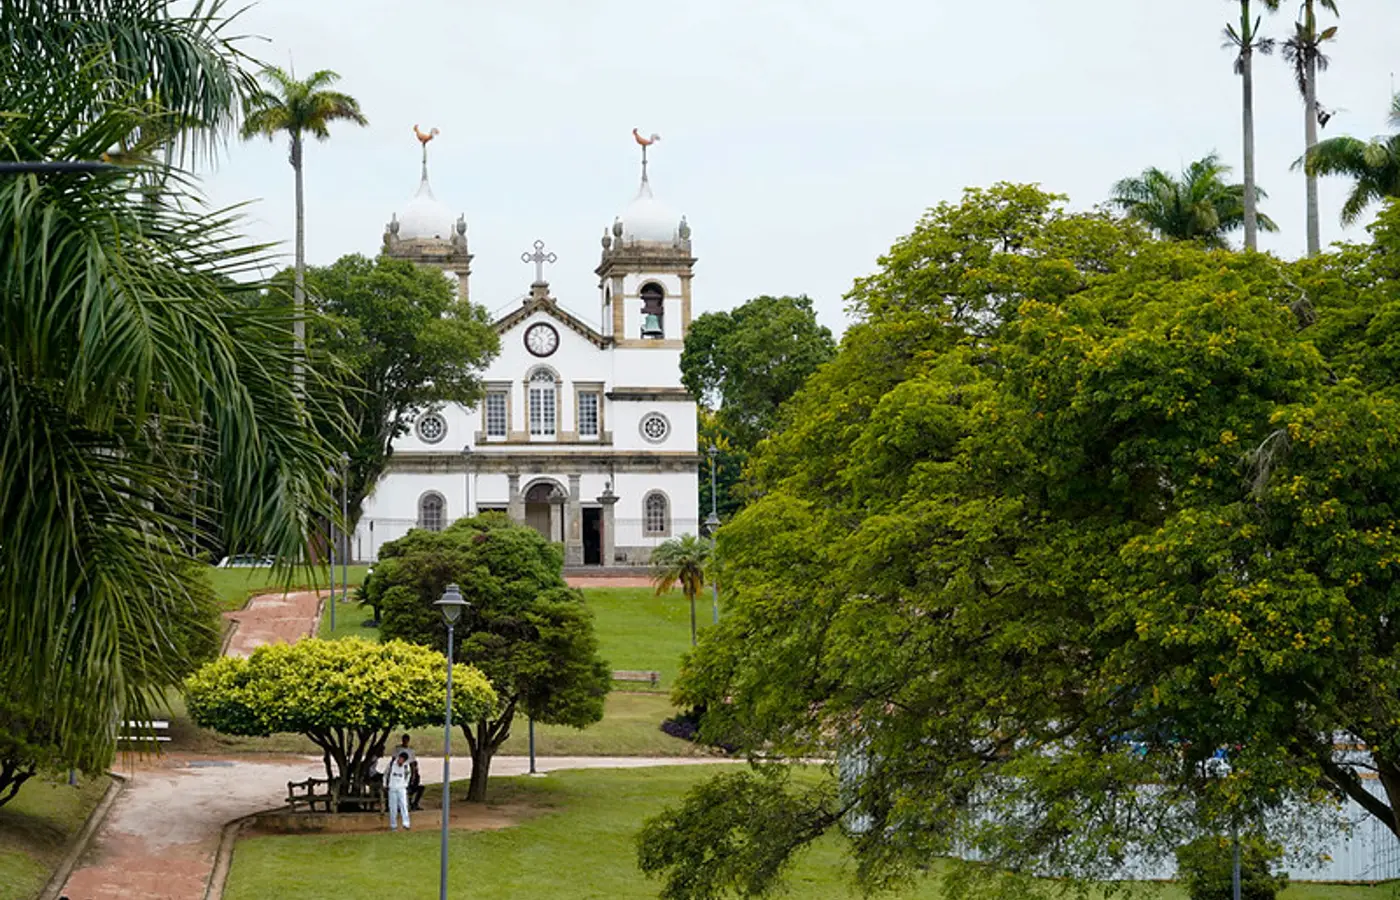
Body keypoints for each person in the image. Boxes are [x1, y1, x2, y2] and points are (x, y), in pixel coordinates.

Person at [386, 749, 412, 831]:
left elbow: (408, 775)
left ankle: (406, 823)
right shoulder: (391, 764)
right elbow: (386, 774)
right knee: (393, 807)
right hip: (392, 788)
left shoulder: (406, 766)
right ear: (399, 758)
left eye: (403, 760)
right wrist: (385, 784)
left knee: (404, 805)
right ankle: (393, 826)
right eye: (401, 759)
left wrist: (405, 784)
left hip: (401, 788)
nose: (401, 761)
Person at [399, 733, 424, 811]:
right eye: (404, 740)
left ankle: (413, 804)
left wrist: (413, 776)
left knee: (415, 787)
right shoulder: (398, 750)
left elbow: (412, 764)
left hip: (408, 775)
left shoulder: (410, 751)